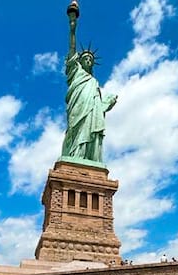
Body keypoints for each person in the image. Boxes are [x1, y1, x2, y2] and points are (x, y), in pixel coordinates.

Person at [62, 4, 117, 163]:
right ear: (79, 61)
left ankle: (90, 158)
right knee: (76, 129)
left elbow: (98, 105)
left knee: (91, 128)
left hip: (92, 111)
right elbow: (72, 48)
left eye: (90, 59)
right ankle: (75, 157)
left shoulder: (94, 82)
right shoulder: (75, 71)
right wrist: (72, 27)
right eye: (85, 58)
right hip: (78, 107)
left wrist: (107, 102)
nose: (88, 60)